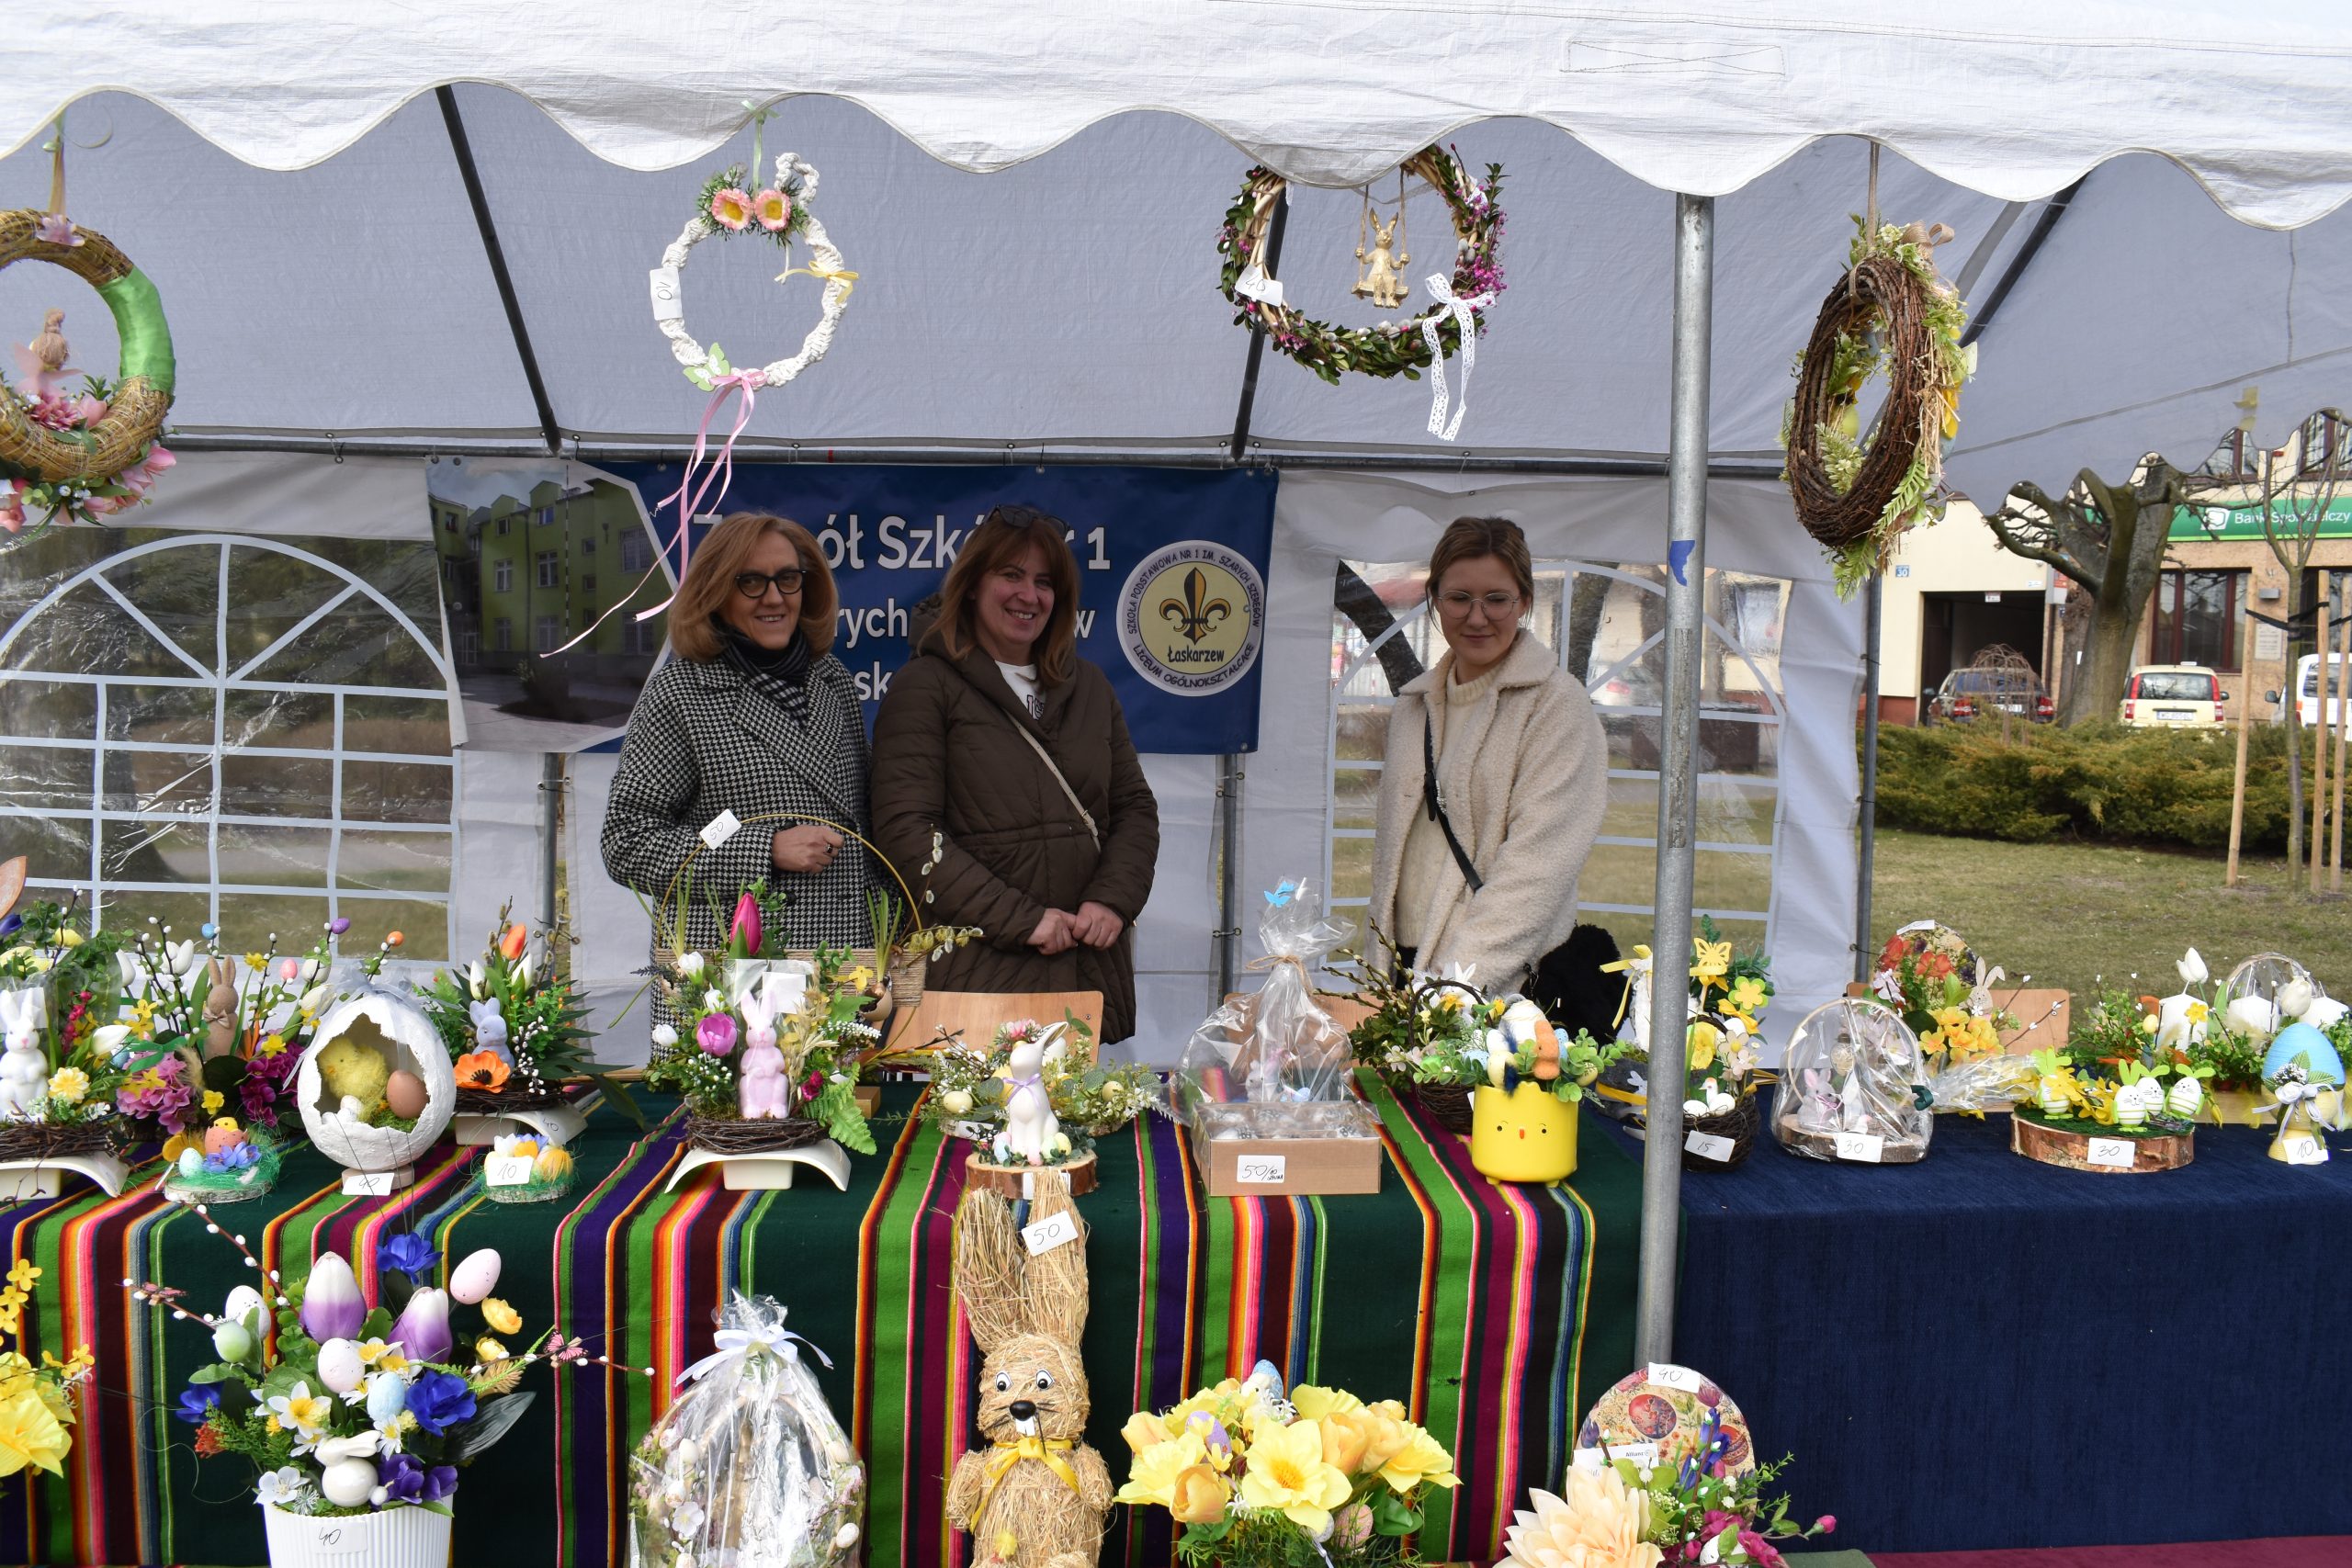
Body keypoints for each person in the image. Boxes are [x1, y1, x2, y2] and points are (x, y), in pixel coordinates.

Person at [869, 505, 1159, 1043]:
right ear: (972, 586)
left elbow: (1134, 808)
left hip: (1083, 969)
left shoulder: (1091, 687)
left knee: (1076, 1100)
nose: (1029, 595)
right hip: (976, 980)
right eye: (1011, 575)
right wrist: (1022, 919)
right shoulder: (925, 687)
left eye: (1045, 582)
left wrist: (1112, 898)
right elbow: (906, 833)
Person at [603, 512, 876, 961]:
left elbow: (864, 819)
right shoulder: (681, 694)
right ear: (716, 593)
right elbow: (628, 844)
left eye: (788, 578)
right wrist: (765, 848)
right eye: (751, 582)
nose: (775, 597)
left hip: (846, 960)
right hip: (732, 971)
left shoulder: (832, 680)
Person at [1369, 515, 1607, 992]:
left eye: (1497, 599)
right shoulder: (1413, 709)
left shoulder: (1556, 707)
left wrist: (1452, 990)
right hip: (1401, 967)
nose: (1477, 617)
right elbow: (1392, 863)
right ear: (1435, 599)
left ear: (1525, 601)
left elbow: (1536, 872)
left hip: (1492, 983)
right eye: (1459, 598)